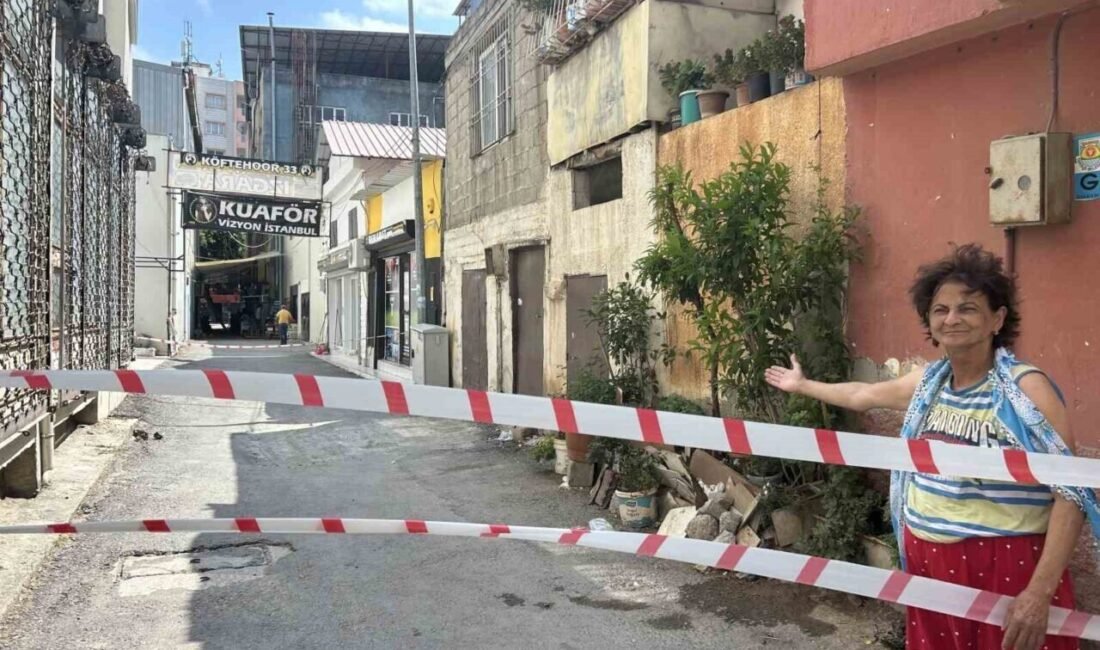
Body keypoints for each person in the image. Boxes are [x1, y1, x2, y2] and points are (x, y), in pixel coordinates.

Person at [764, 244, 1100, 650]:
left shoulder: (1027, 390)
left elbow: (1071, 492)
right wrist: (802, 386)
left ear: (997, 319)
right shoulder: (929, 384)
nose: (952, 318)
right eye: (940, 310)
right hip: (930, 566)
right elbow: (864, 394)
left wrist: (1039, 593)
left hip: (1007, 566)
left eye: (968, 308)